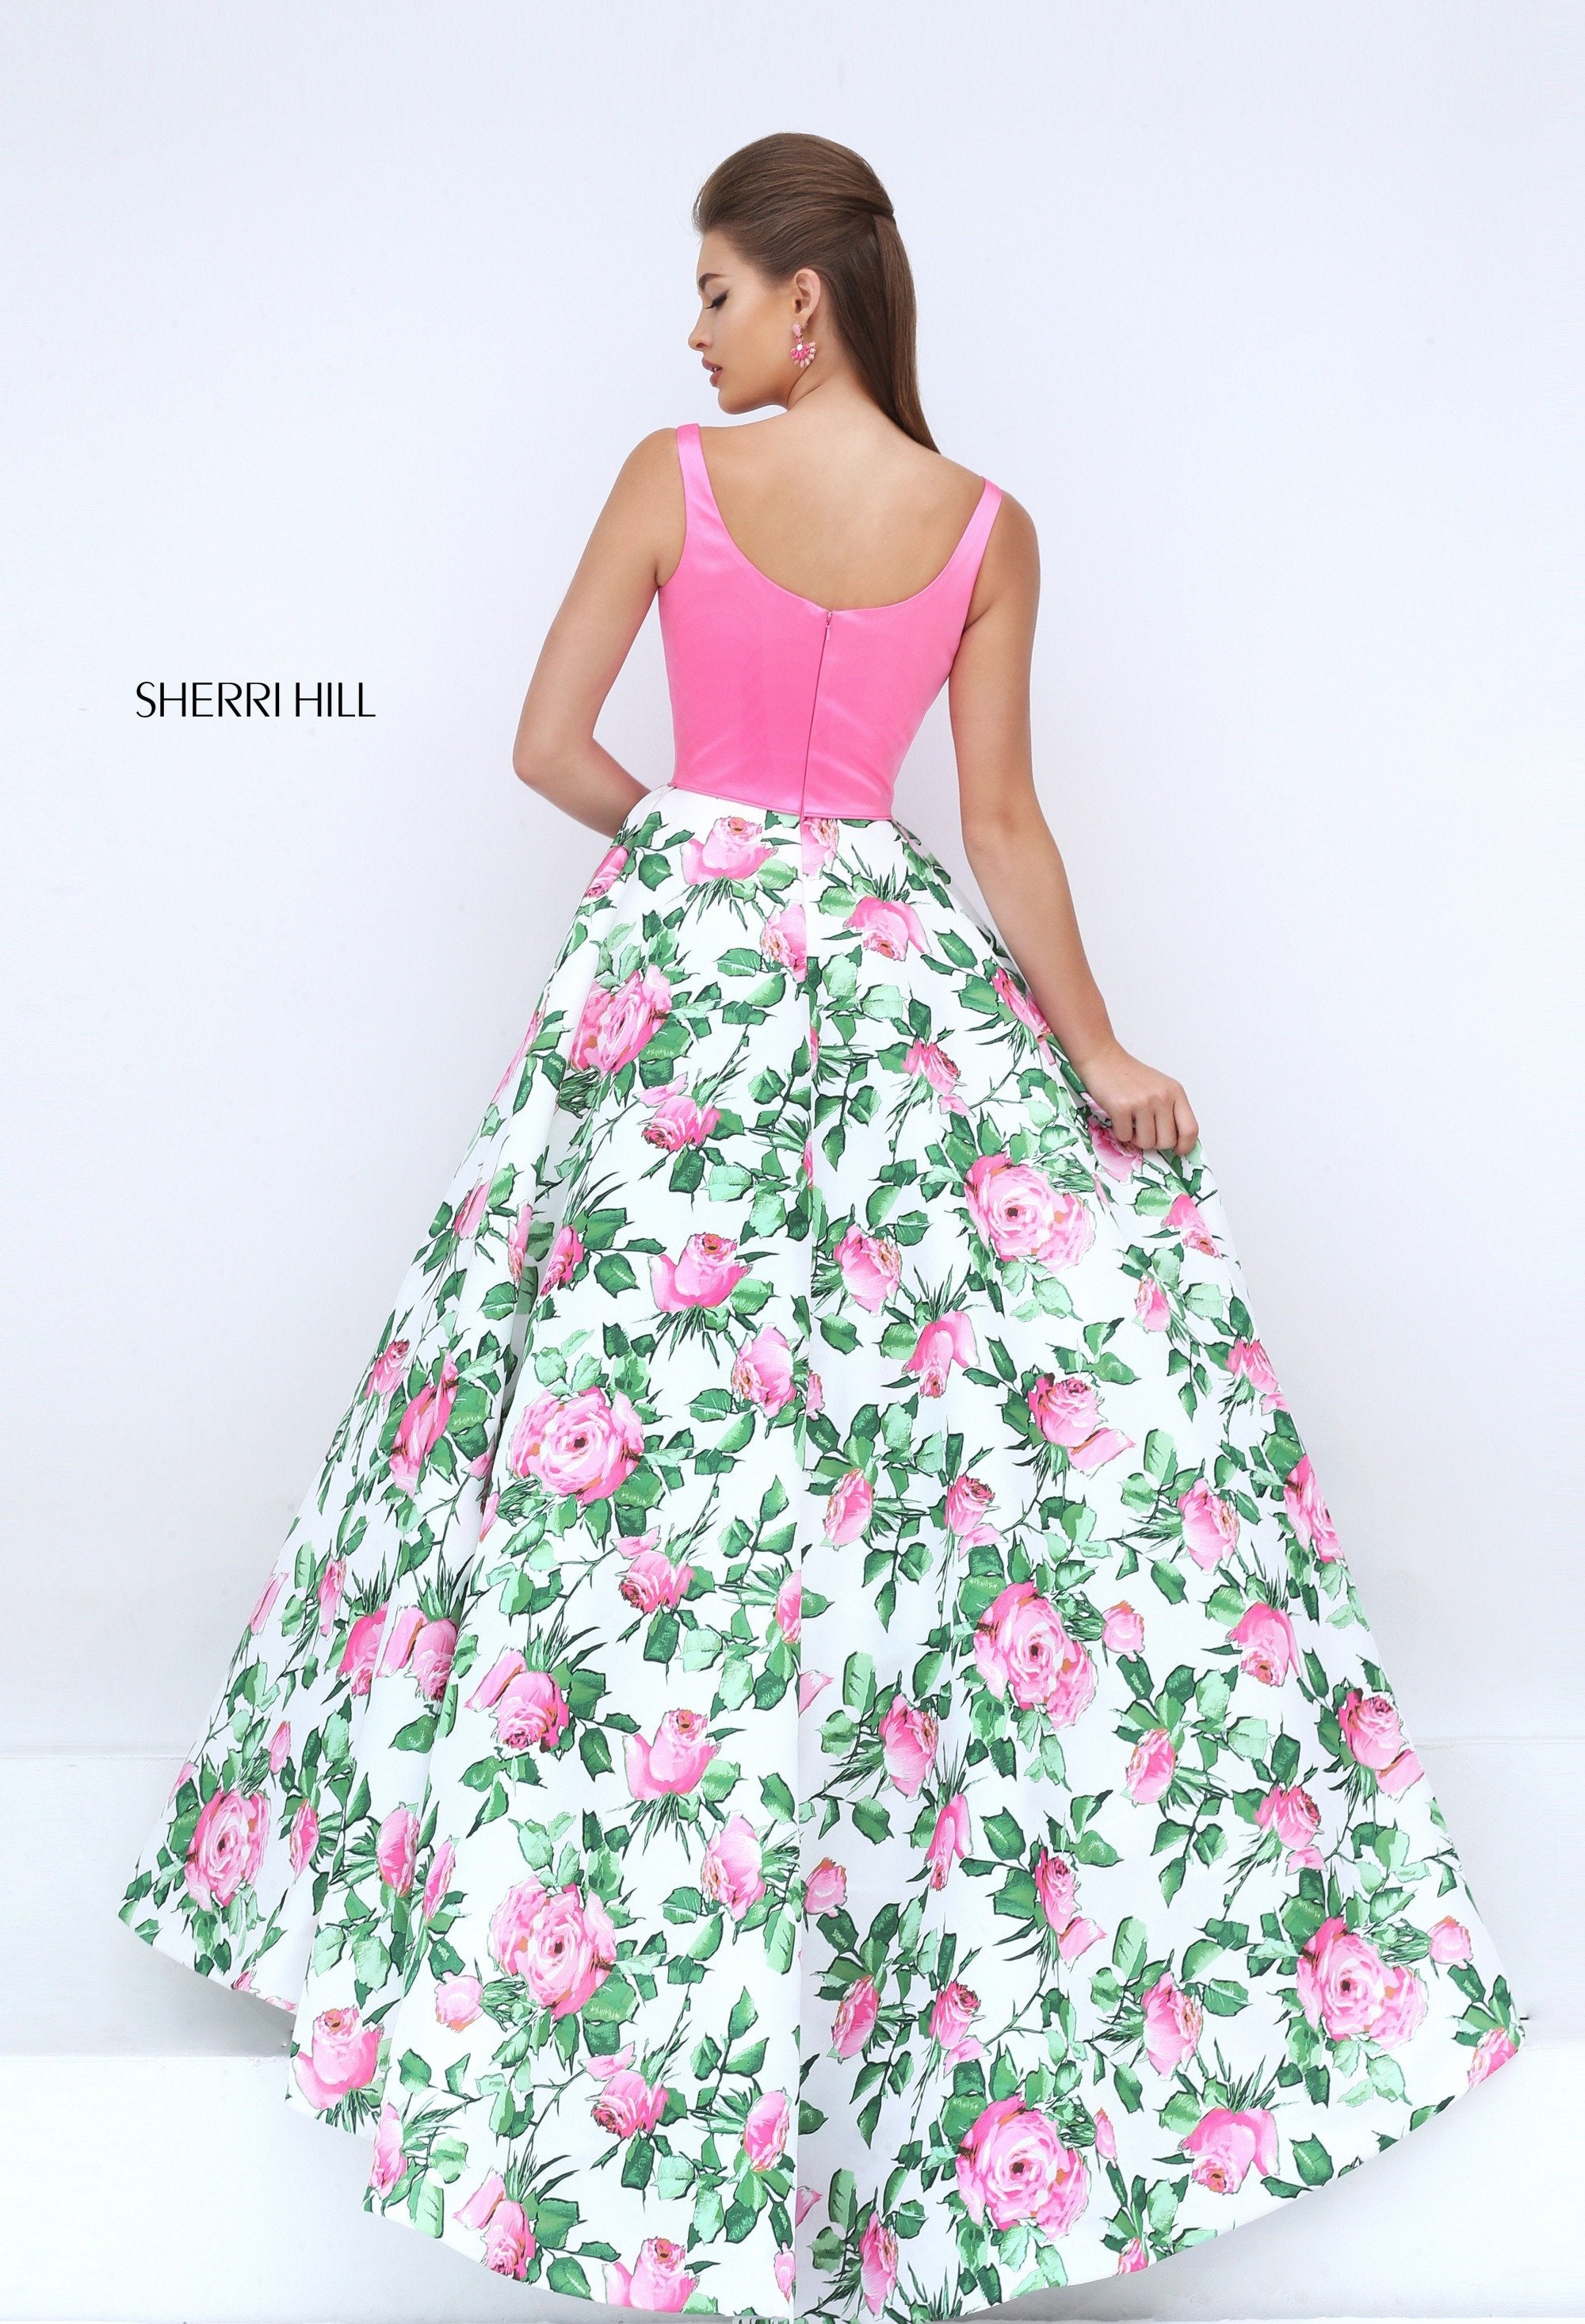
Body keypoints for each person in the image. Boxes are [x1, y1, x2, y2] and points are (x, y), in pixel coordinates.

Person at [119, 132, 1526, 2314]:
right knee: (916, 1444)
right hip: (890, 964)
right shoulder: (986, 525)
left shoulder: (675, 477)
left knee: (589, 1425)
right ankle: (935, 1974)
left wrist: (690, 847)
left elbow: (547, 745)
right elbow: (1002, 824)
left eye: (712, 288)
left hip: (684, 968)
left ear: (804, 297)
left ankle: (499, 1923)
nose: (690, 332)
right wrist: (1098, 1049)